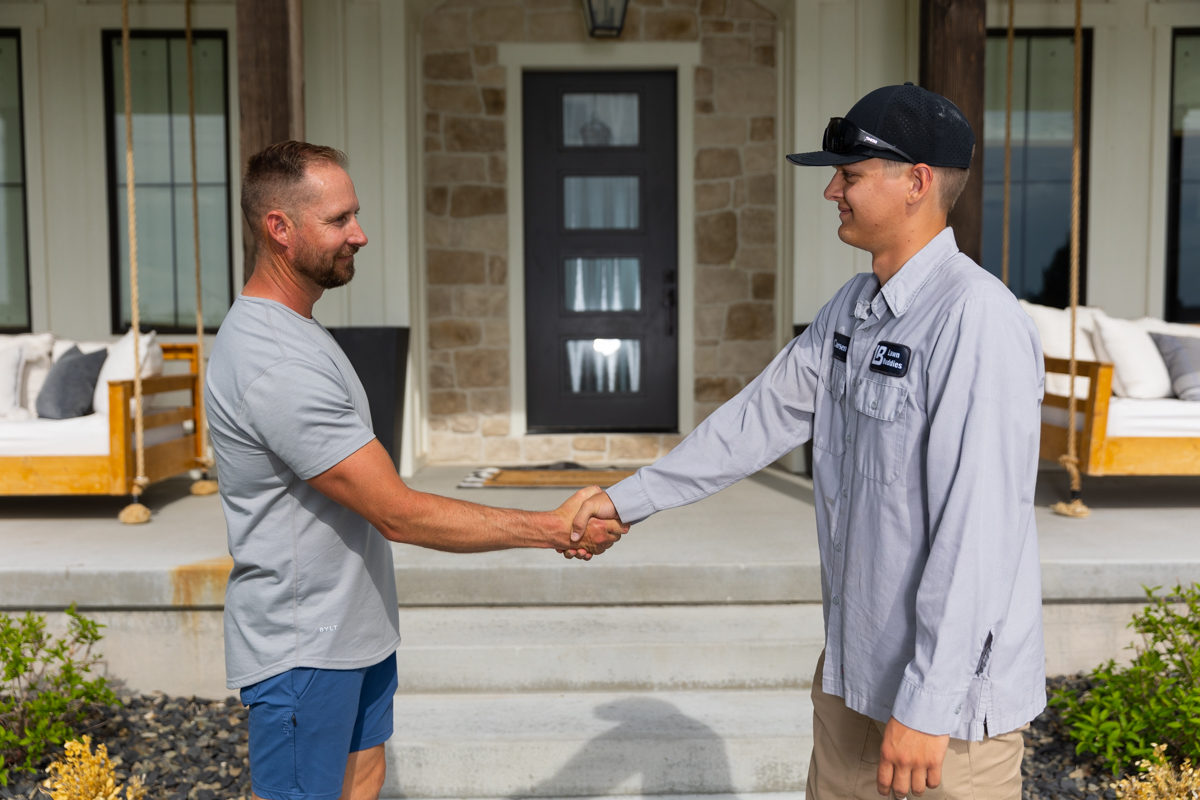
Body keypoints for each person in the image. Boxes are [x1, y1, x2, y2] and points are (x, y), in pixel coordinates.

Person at [567, 84, 1047, 799]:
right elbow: (753, 422)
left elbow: (977, 533)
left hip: (946, 725)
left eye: (849, 175)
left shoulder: (976, 320)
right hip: (853, 688)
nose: (831, 191)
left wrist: (928, 704)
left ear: (916, 183)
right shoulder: (853, 310)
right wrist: (625, 501)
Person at [205, 141, 626, 800]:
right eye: (340, 220)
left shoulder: (299, 330)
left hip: (352, 630)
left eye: (356, 215)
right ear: (278, 229)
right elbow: (396, 511)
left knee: (365, 776)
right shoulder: (272, 361)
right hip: (303, 649)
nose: (359, 234)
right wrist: (552, 528)